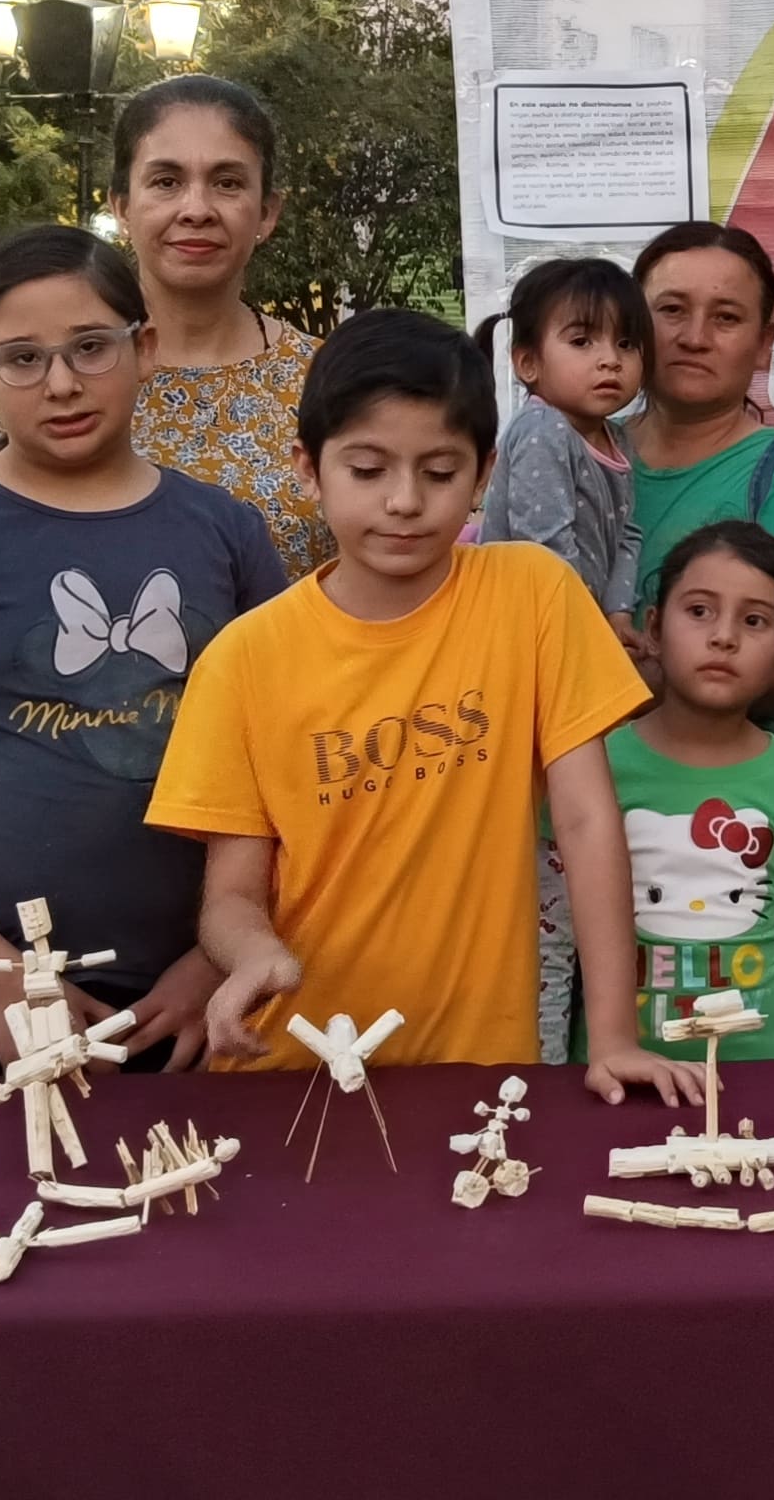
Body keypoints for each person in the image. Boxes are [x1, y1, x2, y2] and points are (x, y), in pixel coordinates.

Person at [145, 310, 695, 1104]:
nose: (404, 501)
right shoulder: (242, 659)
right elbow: (231, 893)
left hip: (483, 1074)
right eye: (368, 470)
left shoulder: (533, 595)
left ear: (483, 474)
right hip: (293, 1073)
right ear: (308, 469)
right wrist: (254, 952)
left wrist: (612, 1037)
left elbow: (586, 821)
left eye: (439, 473)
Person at [0, 227, 286, 1130]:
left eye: (90, 347)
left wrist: (217, 960)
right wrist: (0, 981)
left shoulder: (226, 535)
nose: (61, 383)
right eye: (22, 359)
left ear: (145, 348)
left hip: (182, 1009)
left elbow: (286, 775)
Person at [0, 76, 326, 576]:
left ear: (267, 212)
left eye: (227, 182)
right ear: (121, 206)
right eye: (166, 182)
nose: (196, 210)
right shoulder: (48, 376)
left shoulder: (328, 381)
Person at [585, 522, 774, 1060]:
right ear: (654, 628)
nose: (723, 637)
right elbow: (550, 950)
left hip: (769, 1082)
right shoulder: (592, 767)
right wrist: (544, 1080)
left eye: (755, 620)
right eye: (699, 611)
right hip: (618, 1083)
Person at [623, 221, 774, 749]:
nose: (694, 337)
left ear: (763, 343)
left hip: (722, 795)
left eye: (726, 318)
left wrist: (577, 685)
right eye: (671, 310)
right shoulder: (574, 457)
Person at [474, 255, 647, 632]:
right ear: (528, 364)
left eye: (626, 343)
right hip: (529, 626)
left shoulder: (617, 438)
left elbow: (626, 535)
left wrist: (617, 615)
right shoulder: (544, 429)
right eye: (582, 341)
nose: (611, 360)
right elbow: (544, 548)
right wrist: (585, 630)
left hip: (574, 619)